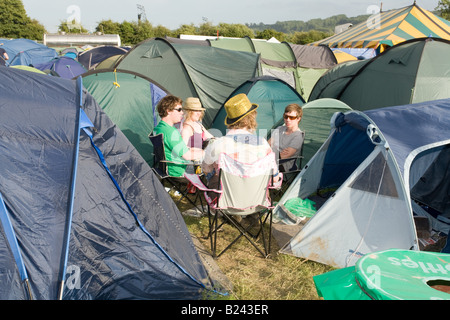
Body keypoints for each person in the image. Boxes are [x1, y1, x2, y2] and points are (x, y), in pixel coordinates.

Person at [202, 93, 281, 187]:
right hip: (257, 198)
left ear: (230, 122)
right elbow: (274, 178)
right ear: (252, 118)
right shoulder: (263, 144)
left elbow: (206, 169)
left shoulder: (217, 144)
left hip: (228, 198)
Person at [153, 95, 204, 177]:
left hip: (165, 169)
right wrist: (205, 152)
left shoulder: (159, 128)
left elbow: (175, 149)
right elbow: (187, 156)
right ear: (169, 111)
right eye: (179, 110)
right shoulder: (170, 132)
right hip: (178, 171)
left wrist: (193, 150)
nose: (182, 112)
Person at [268, 103, 304, 172]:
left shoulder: (298, 135)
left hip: (284, 165)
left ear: (298, 119)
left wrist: (270, 151)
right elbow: (267, 145)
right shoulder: (279, 129)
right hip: (271, 160)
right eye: (286, 116)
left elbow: (284, 156)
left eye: (292, 117)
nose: (288, 119)